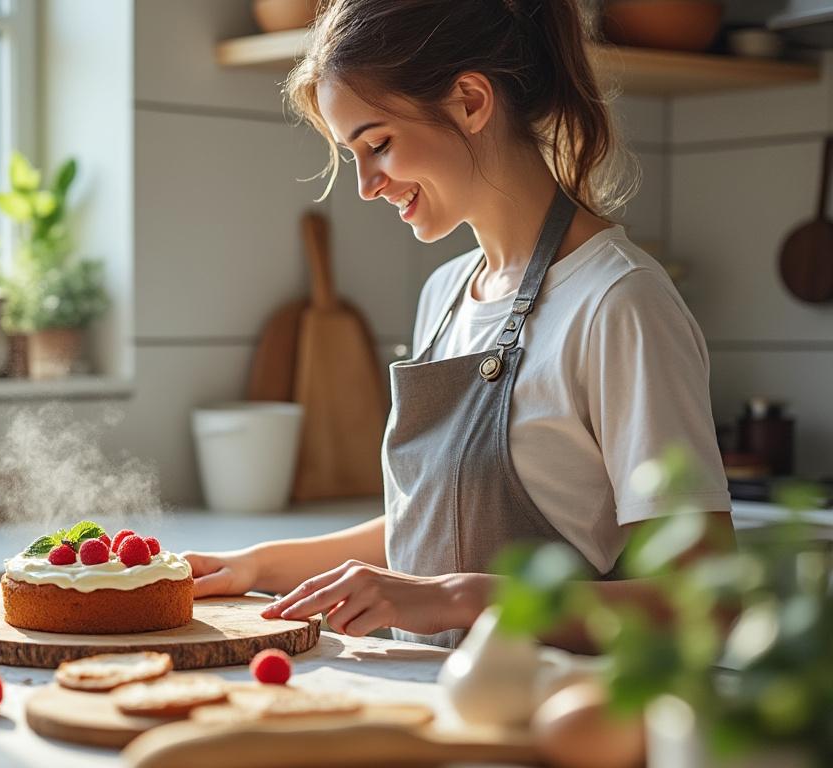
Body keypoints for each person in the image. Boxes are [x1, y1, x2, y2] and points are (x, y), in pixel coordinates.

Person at [183, 0, 735, 650]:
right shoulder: (445, 294)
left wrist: (460, 598)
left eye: (378, 143)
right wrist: (256, 566)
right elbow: (428, 526)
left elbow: (708, 600)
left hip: (544, 730)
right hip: (428, 713)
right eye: (351, 154)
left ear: (471, 101)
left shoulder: (619, 302)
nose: (366, 185)